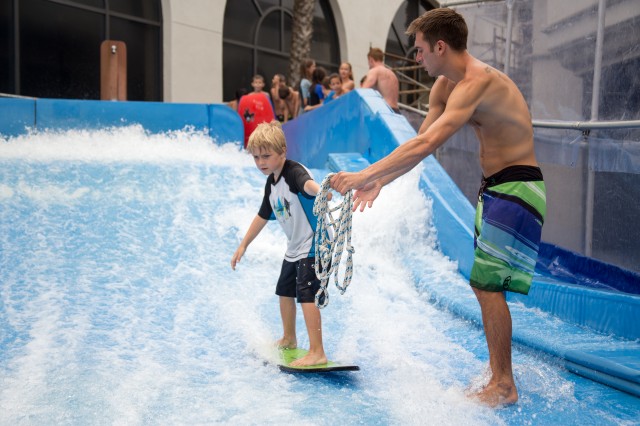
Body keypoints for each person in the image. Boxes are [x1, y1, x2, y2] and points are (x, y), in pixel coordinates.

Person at [330, 8, 546, 408]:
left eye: (419, 50)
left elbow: (426, 145)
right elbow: (421, 145)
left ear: (440, 47)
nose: (417, 58)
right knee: (486, 286)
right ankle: (501, 373)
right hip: (496, 188)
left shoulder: (477, 82)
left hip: (519, 186)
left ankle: (503, 384)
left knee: (485, 285)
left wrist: (362, 175)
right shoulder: (444, 88)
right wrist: (380, 180)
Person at [231, 121, 329, 367]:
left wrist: (321, 192)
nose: (261, 162)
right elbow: (263, 214)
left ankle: (317, 351)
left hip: (314, 244)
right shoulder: (271, 184)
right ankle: (289, 338)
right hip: (295, 248)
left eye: (266, 156)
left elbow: (307, 184)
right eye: (256, 157)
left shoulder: (293, 172)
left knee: (306, 295)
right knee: (284, 291)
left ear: (282, 152)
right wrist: (244, 245)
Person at [361, 47, 400, 113]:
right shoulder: (392, 74)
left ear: (371, 59)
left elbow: (363, 90)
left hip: (385, 110)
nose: (368, 65)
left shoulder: (375, 71)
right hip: (396, 111)